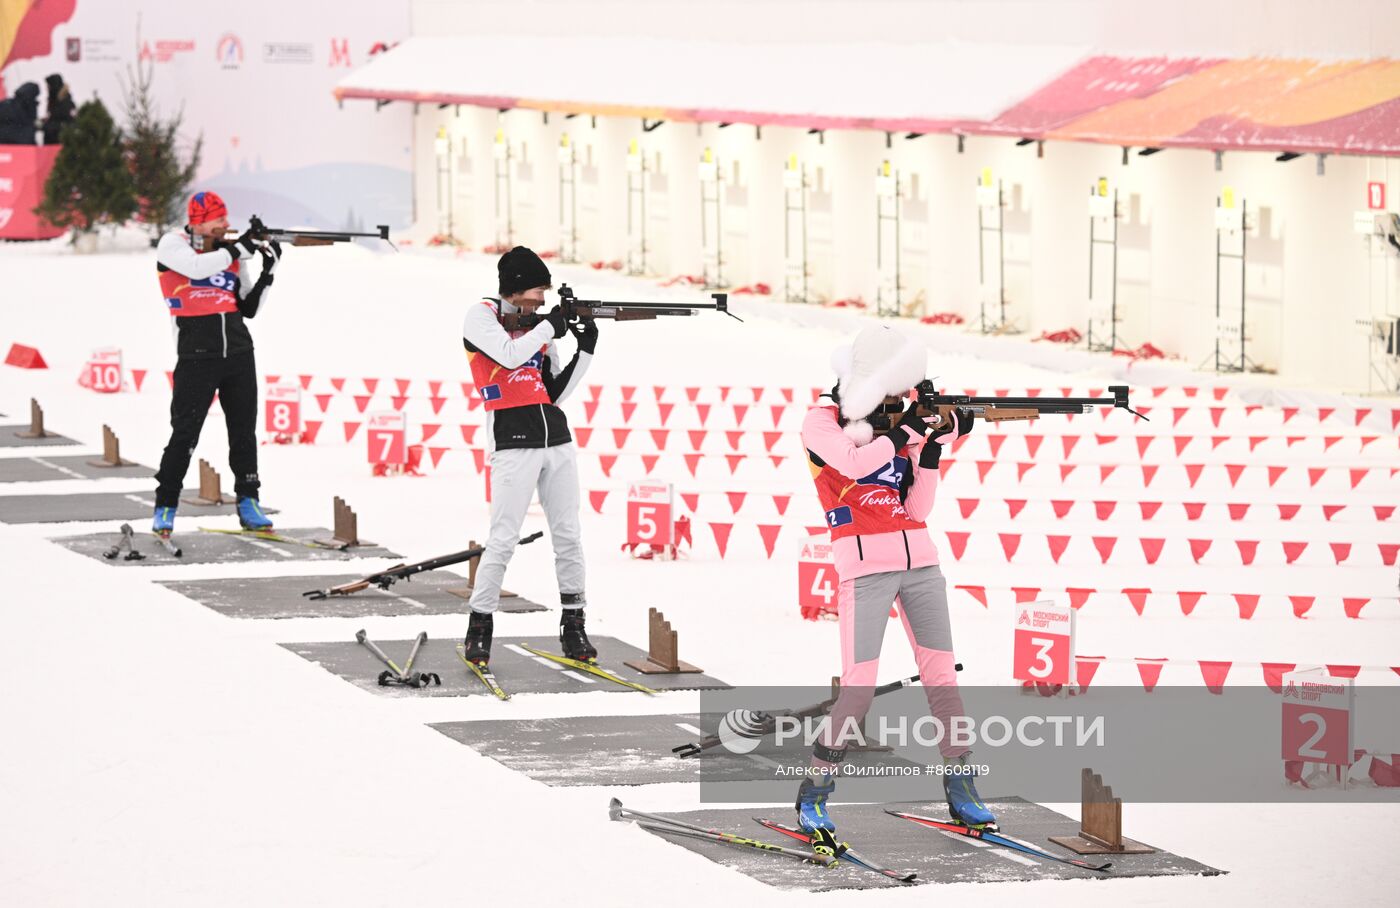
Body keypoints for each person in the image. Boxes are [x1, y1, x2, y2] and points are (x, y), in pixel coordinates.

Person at [794, 324, 994, 857]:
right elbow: (856, 464)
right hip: (864, 568)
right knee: (858, 689)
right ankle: (814, 792)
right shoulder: (822, 421)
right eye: (890, 392)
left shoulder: (897, 425)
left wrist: (930, 452)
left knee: (942, 679)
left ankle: (961, 785)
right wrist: (906, 431)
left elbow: (918, 511)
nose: (898, 401)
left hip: (921, 562)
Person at [460, 246, 596, 666]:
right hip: (512, 437)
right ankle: (480, 625)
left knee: (569, 534)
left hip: (555, 436)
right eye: (539, 290)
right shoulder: (480, 316)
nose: (543, 299)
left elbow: (554, 392)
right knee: (503, 538)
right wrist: (549, 329)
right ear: (516, 289)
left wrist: (585, 349)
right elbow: (509, 354)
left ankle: (574, 623)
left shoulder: (538, 326)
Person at [151, 191, 280, 536]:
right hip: (196, 357)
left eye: (225, 218)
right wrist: (237, 249)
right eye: (218, 219)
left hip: (238, 354)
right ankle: (165, 504)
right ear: (198, 222)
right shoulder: (173, 245)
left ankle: (249, 500)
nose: (226, 224)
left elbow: (248, 307)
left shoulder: (231, 253)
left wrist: (270, 269)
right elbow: (196, 267)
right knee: (184, 435)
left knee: (243, 433)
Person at [42, 74, 75, 145]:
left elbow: (66, 124)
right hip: (53, 143)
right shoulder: (55, 101)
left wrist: (46, 126)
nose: (47, 89)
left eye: (48, 87)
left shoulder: (65, 103)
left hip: (59, 144)